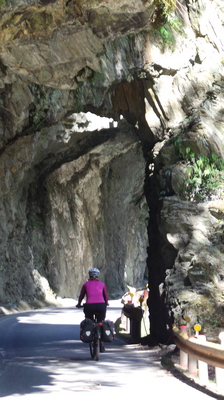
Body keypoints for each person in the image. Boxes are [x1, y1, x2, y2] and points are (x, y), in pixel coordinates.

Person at [76, 268, 109, 351]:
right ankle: (101, 343)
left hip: (89, 306)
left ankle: (91, 337)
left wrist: (79, 304)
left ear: (89, 275)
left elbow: (81, 296)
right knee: (101, 322)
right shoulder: (102, 284)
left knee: (90, 322)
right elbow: (106, 296)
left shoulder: (86, 284)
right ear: (98, 275)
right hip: (101, 306)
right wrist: (106, 303)